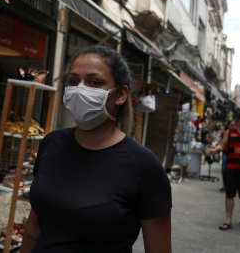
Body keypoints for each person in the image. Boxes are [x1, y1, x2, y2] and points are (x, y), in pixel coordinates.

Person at [21, 45, 172, 253]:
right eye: (73, 82)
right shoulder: (52, 144)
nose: (80, 89)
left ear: (120, 94)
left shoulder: (144, 166)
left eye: (94, 82)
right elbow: (33, 227)